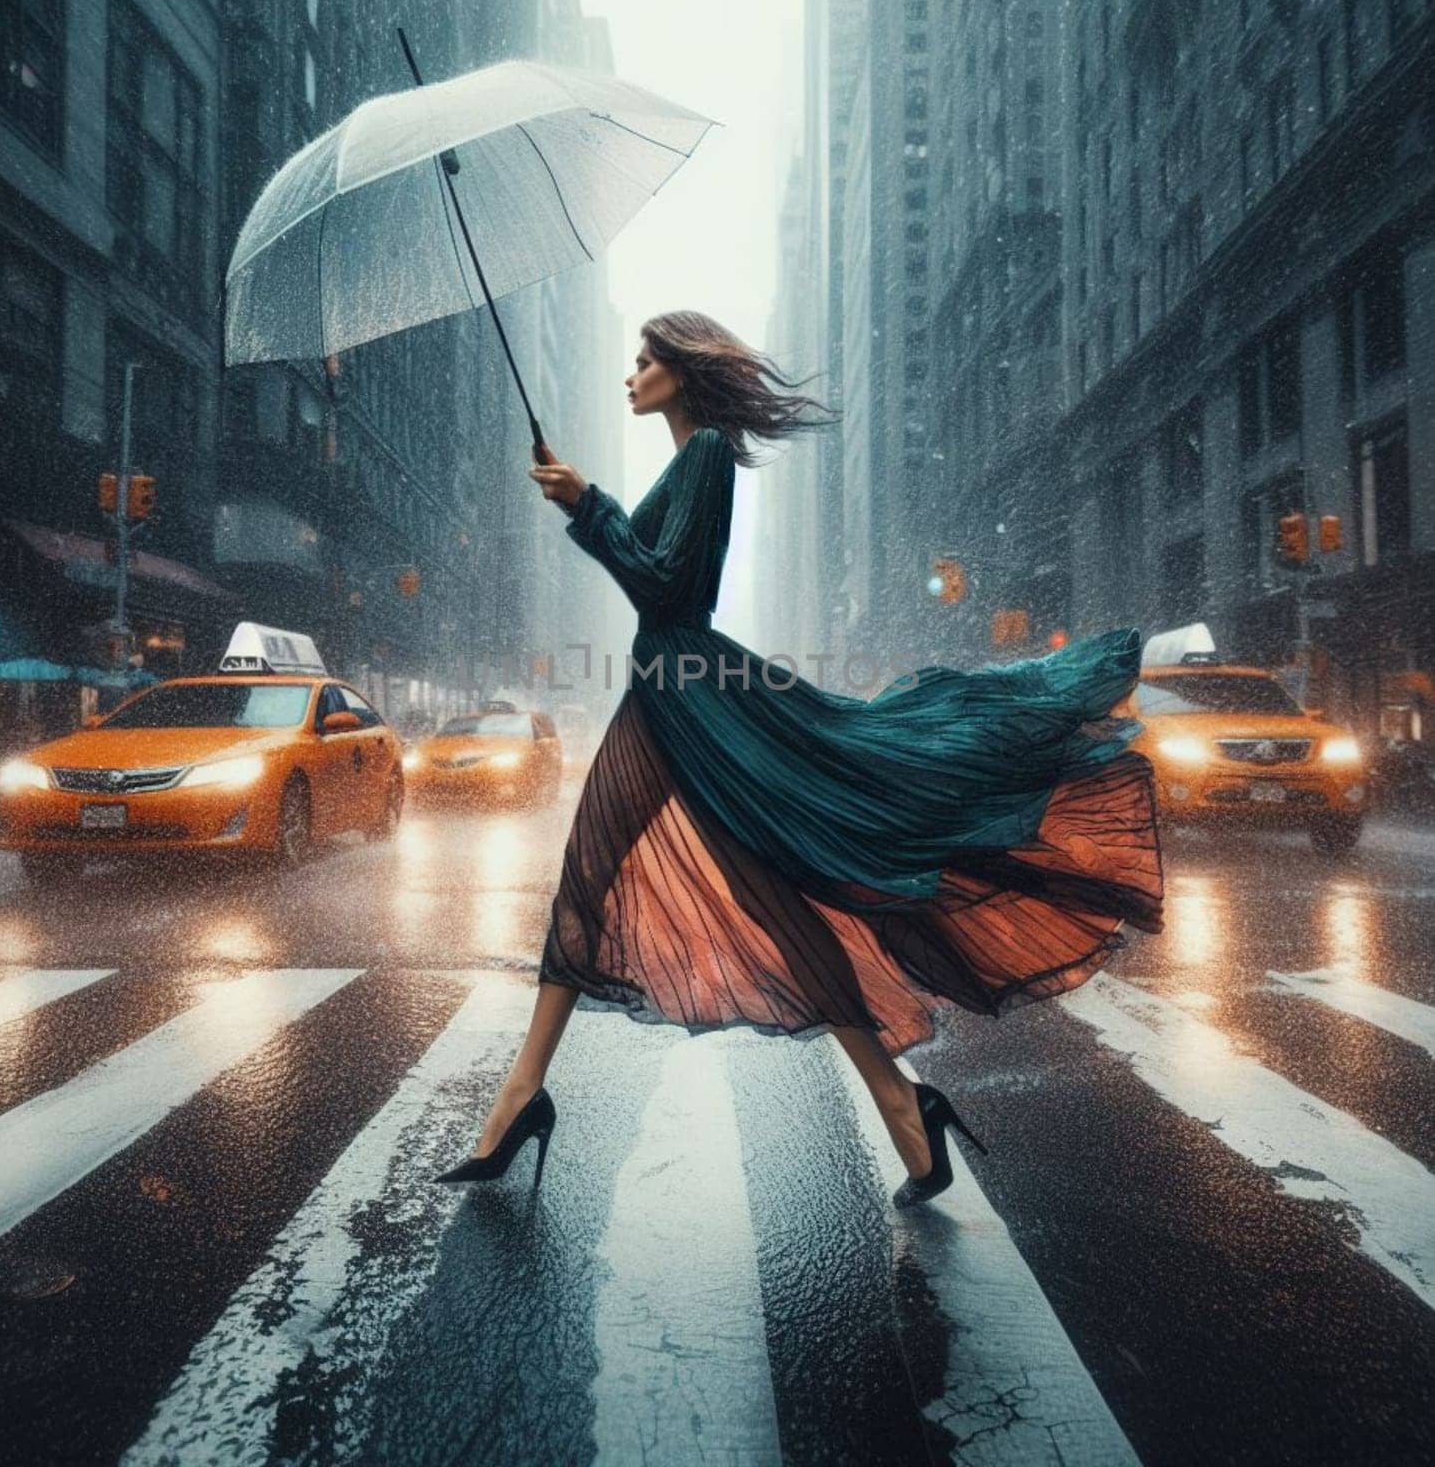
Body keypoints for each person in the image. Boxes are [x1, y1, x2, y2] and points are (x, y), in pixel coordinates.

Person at [434, 310, 1164, 1207]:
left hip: (687, 701)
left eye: (645, 360)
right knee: (750, 905)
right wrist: (590, 510)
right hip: (674, 696)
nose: (631, 374)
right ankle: (903, 1113)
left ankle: (521, 1103)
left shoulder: (702, 458)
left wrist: (585, 505)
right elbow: (655, 570)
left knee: (610, 884)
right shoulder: (687, 461)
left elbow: (671, 591)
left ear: (681, 372)